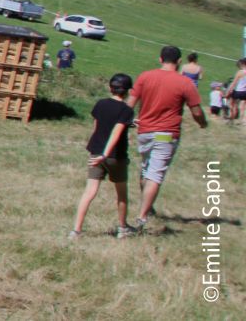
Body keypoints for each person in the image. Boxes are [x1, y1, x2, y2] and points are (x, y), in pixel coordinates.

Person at [131, 45, 208, 230]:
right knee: (155, 174)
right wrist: (203, 123)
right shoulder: (185, 83)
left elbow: (130, 103)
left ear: (160, 59)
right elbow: (196, 111)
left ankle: (147, 207)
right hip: (166, 134)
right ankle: (142, 217)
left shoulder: (145, 76)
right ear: (179, 61)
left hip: (144, 131)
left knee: (146, 168)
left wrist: (125, 120)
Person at [71, 73, 138, 239]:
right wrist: (105, 154)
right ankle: (123, 228)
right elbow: (116, 132)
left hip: (96, 153)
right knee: (121, 193)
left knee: (89, 192)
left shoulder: (100, 104)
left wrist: (97, 151)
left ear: (111, 87)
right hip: (116, 156)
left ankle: (76, 230)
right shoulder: (126, 110)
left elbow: (97, 128)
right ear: (128, 91)